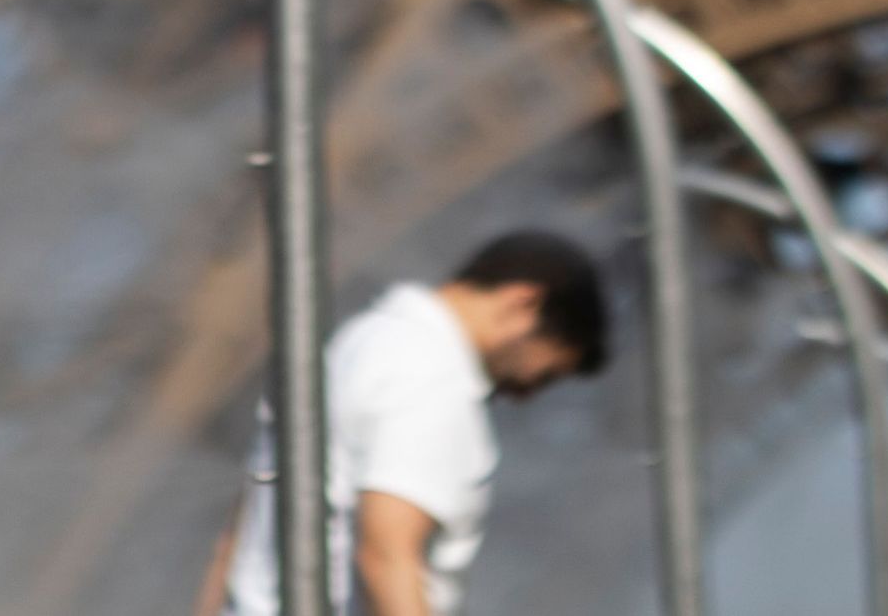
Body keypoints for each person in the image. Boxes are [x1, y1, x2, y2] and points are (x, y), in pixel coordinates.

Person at [197, 230, 612, 616]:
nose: (526, 394)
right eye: (544, 373)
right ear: (523, 304)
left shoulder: (355, 344)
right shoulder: (432, 373)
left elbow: (242, 531)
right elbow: (386, 554)